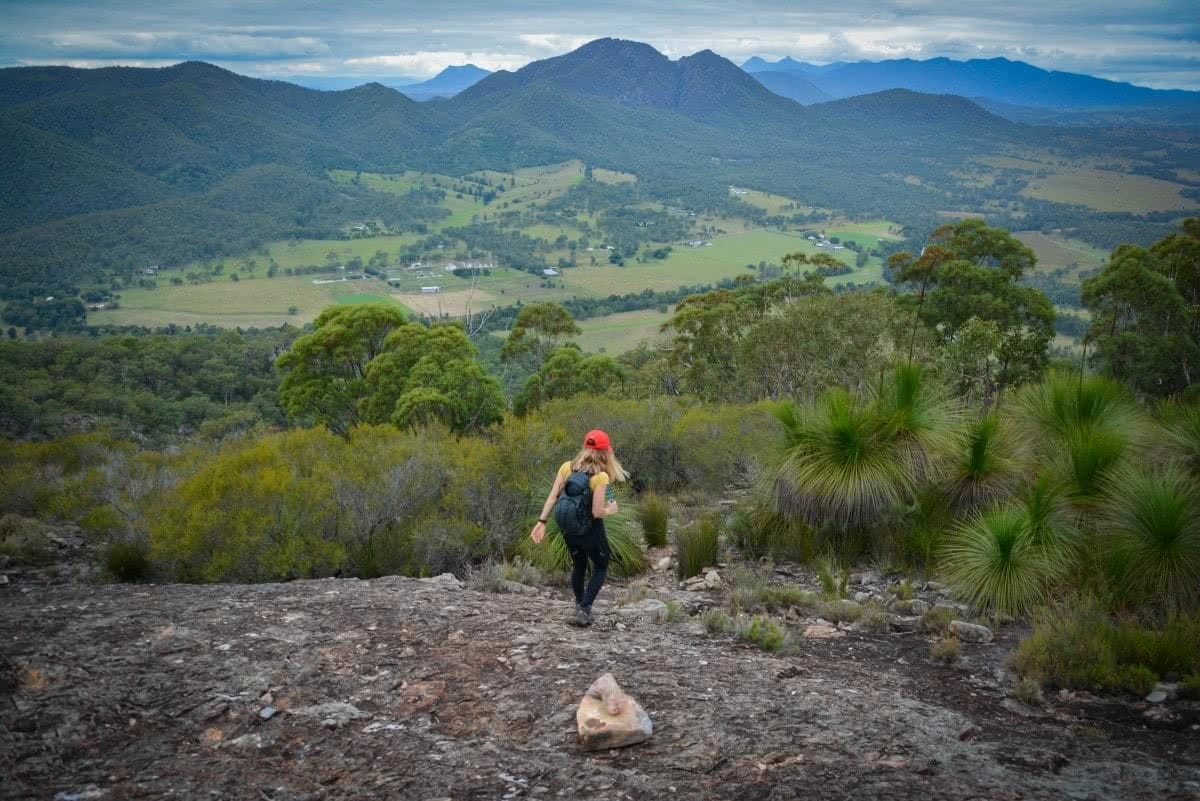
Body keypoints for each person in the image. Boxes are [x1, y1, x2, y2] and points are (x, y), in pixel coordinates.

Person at [530, 429, 627, 626]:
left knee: (579, 564)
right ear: (606, 452)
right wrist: (612, 510)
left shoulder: (567, 467)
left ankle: (578, 604)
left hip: (568, 528)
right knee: (601, 565)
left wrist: (541, 522)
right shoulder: (600, 477)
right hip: (590, 530)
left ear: (585, 448)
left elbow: (552, 497)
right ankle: (585, 609)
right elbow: (597, 512)